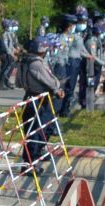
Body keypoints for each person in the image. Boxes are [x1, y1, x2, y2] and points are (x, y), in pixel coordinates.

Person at [19, 37, 64, 166]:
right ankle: (30, 164)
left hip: (34, 98)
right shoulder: (36, 64)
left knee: (45, 128)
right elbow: (51, 81)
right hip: (37, 100)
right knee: (35, 133)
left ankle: (37, 154)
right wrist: (57, 89)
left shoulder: (26, 61)